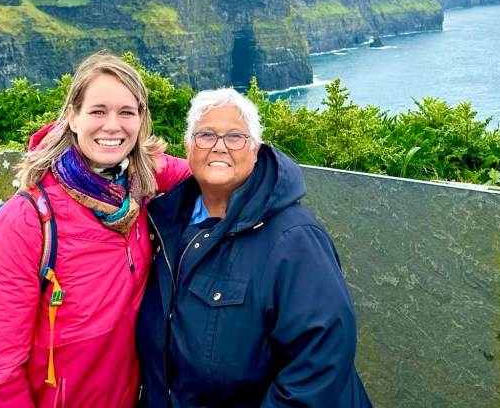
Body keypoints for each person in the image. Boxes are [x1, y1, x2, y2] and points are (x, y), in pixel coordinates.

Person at [0, 51, 191, 408]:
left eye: (126, 112)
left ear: (141, 119)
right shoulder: (25, 222)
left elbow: (212, 171)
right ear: (72, 116)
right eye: (98, 111)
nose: (113, 126)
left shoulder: (140, 181)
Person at [136, 88, 373, 408]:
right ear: (187, 146)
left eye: (235, 136)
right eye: (206, 135)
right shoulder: (164, 226)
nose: (219, 146)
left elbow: (319, 362)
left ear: (256, 148)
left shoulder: (294, 238)